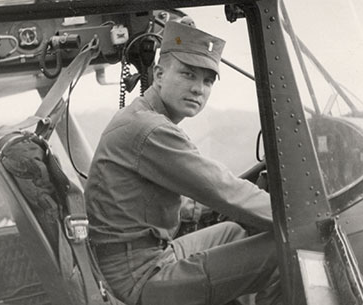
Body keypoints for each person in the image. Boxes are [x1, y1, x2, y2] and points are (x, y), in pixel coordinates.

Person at [85, 21, 282, 305]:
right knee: (286, 245)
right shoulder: (149, 129)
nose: (198, 89)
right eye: (188, 74)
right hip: (138, 280)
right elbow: (222, 189)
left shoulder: (143, 116)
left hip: (142, 259)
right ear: (159, 74)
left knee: (235, 231)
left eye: (207, 80)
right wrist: (296, 217)